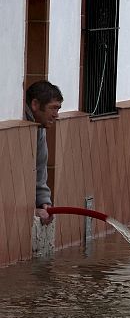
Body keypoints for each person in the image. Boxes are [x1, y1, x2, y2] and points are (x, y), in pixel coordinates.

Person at [24, 80, 63, 225]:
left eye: (58, 109)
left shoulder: (39, 127)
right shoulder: (27, 124)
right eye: (53, 108)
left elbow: (40, 169)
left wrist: (43, 202)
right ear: (35, 105)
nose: (56, 115)